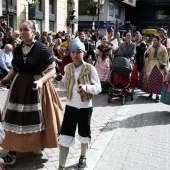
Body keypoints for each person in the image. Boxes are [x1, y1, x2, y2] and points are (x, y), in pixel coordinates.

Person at [0, 20, 64, 165]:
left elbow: (53, 70)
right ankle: (12, 151)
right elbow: (15, 68)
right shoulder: (18, 48)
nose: (22, 32)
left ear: (33, 31)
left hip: (37, 86)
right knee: (14, 118)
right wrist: (5, 79)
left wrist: (41, 81)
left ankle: (37, 144)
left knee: (36, 118)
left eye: (26, 30)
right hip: (19, 87)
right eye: (21, 30)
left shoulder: (42, 48)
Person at [55, 38, 101, 170]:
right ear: (69, 54)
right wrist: (58, 81)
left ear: (84, 54)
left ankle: (83, 157)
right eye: (73, 52)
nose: (75, 55)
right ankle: (61, 166)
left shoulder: (90, 68)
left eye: (78, 52)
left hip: (85, 107)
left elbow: (98, 88)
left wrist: (87, 88)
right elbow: (64, 86)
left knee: (84, 133)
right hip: (70, 106)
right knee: (65, 135)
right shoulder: (68, 67)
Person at [138, 36, 169, 101]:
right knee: (150, 78)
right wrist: (147, 53)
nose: (154, 42)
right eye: (153, 40)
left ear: (158, 41)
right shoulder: (150, 47)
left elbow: (165, 58)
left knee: (158, 78)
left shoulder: (163, 48)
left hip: (159, 65)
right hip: (151, 64)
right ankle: (151, 92)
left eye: (155, 40)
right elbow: (145, 56)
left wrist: (165, 66)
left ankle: (157, 95)